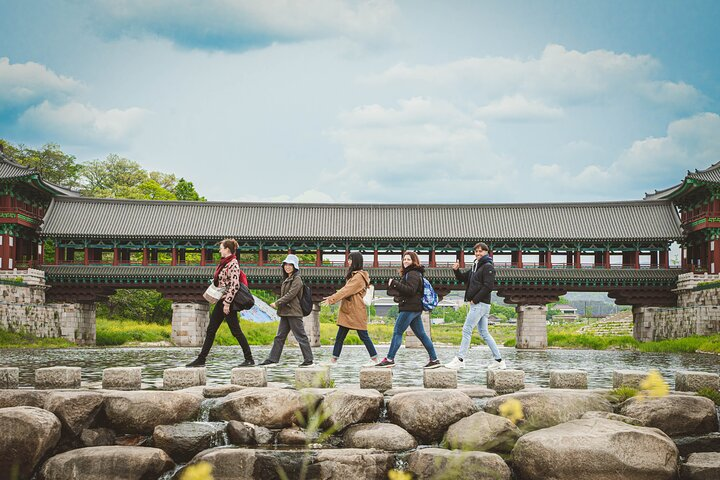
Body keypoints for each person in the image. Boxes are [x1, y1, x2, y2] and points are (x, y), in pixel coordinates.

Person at [186, 238, 254, 367]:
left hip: (228, 302)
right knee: (211, 330)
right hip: (222, 300)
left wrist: (227, 303)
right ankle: (201, 359)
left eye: (221, 248)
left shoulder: (233, 263)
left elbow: (234, 285)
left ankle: (249, 358)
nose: (219, 250)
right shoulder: (224, 263)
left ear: (227, 249)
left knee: (236, 332)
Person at [446, 242, 507, 370]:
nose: (478, 253)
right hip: (480, 305)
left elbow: (488, 286)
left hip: (480, 304)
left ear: (486, 252)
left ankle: (460, 359)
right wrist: (456, 270)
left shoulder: (487, 266)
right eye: (476, 251)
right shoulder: (475, 266)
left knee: (466, 329)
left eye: (481, 251)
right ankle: (499, 360)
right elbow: (463, 278)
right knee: (484, 333)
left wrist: (475, 299)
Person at [376, 251, 440, 368]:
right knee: (421, 334)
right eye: (404, 259)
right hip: (414, 308)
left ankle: (390, 359)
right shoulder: (413, 273)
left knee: (397, 332)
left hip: (409, 308)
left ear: (414, 261)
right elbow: (408, 290)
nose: (405, 261)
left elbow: (410, 290)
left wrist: (394, 283)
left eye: (408, 259)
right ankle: (434, 359)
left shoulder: (412, 274)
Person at [321, 252, 378, 366]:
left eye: (350, 259)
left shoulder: (358, 277)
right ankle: (333, 359)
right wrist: (332, 297)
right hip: (349, 310)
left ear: (355, 261)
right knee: (340, 337)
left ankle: (375, 359)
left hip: (355, 311)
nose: (348, 262)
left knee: (363, 336)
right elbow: (345, 290)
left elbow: (346, 290)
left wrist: (332, 299)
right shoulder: (355, 275)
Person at [259, 254, 314, 367]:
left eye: (290, 265)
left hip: (294, 312)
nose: (287, 267)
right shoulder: (287, 279)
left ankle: (308, 360)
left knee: (300, 336)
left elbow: (290, 295)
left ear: (295, 266)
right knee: (279, 337)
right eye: (286, 264)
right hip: (285, 312)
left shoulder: (297, 279)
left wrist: (277, 303)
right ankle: (273, 359)